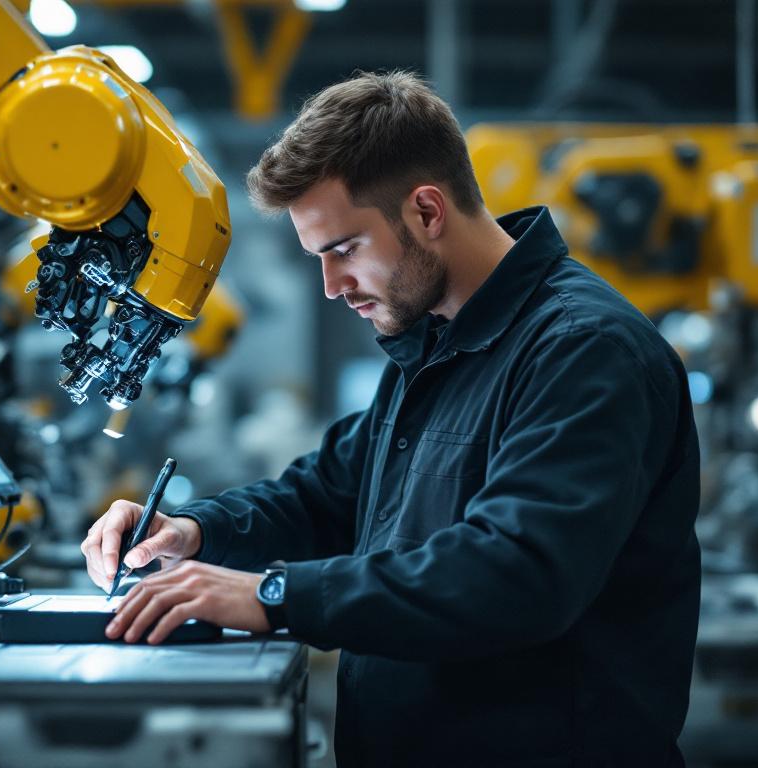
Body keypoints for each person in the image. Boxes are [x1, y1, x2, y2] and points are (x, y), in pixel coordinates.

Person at [81, 70, 700, 767]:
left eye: (342, 250)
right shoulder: (434, 342)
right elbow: (327, 495)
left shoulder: (584, 350)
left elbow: (518, 573)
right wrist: (193, 531)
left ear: (428, 212)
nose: (332, 286)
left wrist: (277, 597)